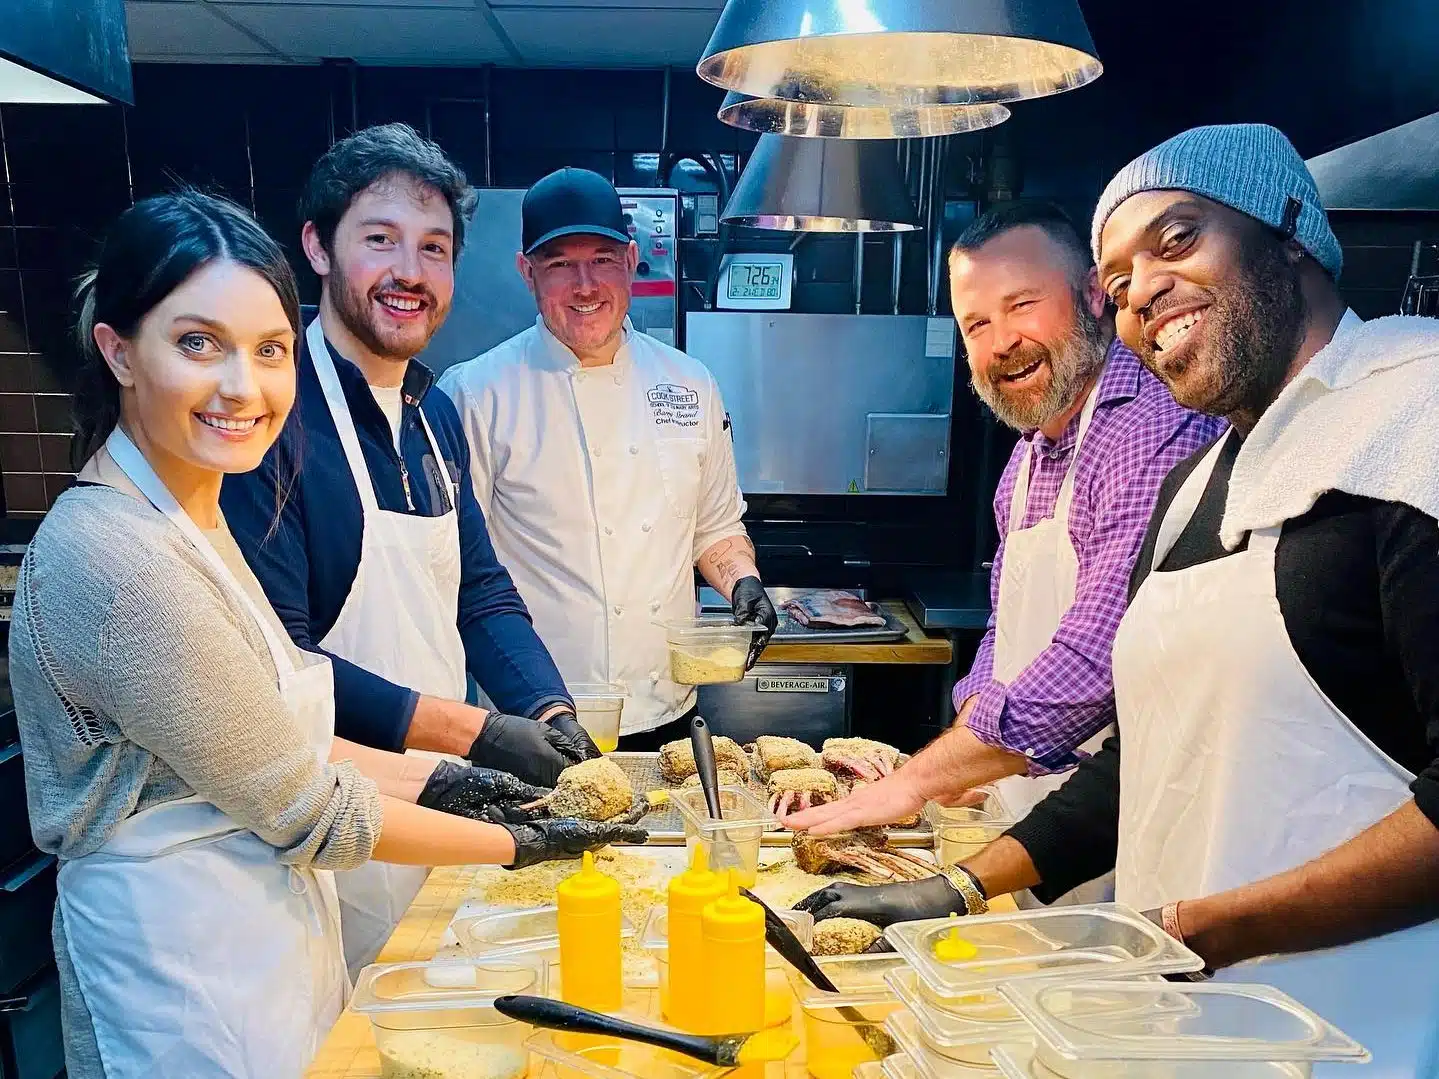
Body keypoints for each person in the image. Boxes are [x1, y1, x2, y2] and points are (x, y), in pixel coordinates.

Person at [796, 125, 1439, 1074]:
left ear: (1290, 231)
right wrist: (959, 889)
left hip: (1349, 1030)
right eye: (1121, 275)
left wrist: (1191, 927)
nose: (1143, 290)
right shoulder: (1201, 481)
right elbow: (1146, 753)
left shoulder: (1409, 419)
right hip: (1175, 1015)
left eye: (1176, 241)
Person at [11, 192, 643, 1079]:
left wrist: (466, 777)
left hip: (258, 944)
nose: (242, 386)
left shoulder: (194, 523)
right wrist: (528, 838)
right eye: (198, 344)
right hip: (178, 980)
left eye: (268, 351)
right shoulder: (118, 562)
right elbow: (309, 808)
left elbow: (287, 745)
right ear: (118, 349)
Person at [220, 126, 613, 972]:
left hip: (444, 804)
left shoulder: (432, 417)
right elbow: (277, 662)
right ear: (318, 248)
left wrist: (549, 713)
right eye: (380, 240)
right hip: (322, 828)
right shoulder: (267, 422)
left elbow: (480, 593)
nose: (409, 271)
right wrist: (473, 731)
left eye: (433, 249)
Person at [784, 202, 1222, 887]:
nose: (1001, 342)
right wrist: (964, 753)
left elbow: (1093, 662)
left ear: (1090, 296)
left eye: (1021, 305)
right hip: (1021, 818)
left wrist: (922, 776)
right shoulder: (1025, 460)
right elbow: (1007, 633)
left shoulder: (1147, 430)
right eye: (976, 324)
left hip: (1113, 831)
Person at [440, 168, 777, 749]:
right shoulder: (475, 393)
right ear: (527, 273)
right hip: (534, 718)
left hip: (668, 709)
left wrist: (743, 583)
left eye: (600, 258)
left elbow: (714, 528)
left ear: (630, 258)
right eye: (560, 264)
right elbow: (463, 571)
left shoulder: (689, 384)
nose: (585, 284)